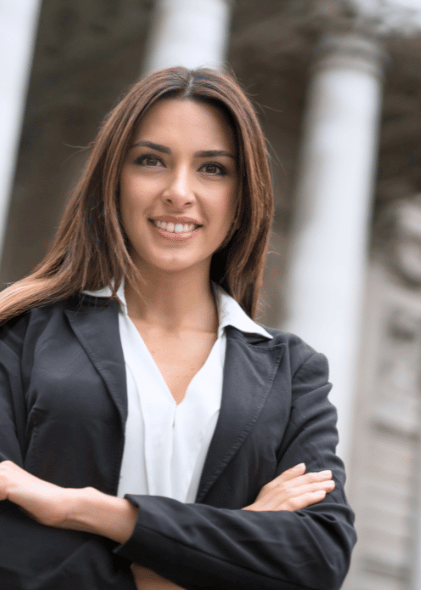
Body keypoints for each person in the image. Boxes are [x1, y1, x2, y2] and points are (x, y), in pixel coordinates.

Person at [0, 67, 356, 590]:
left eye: (213, 169)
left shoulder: (291, 371)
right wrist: (241, 536)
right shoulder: (20, 334)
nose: (179, 192)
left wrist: (89, 511)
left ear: (243, 196)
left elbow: (317, 559)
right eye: (151, 161)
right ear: (113, 180)